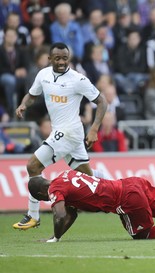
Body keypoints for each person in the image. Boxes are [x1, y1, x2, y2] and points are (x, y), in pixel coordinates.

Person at [12, 42, 108, 230]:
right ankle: (115, 189)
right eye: (58, 58)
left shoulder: (78, 79)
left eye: (65, 58)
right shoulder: (43, 75)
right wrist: (24, 104)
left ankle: (33, 216)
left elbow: (102, 101)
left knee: (33, 166)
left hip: (69, 132)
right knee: (87, 176)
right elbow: (32, 95)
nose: (62, 62)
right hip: (66, 133)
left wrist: (94, 128)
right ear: (50, 59)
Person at [27, 169, 155, 241]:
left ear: (39, 193)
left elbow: (60, 215)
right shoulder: (64, 175)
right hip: (132, 183)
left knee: (143, 234)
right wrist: (58, 236)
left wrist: (53, 239)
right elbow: (71, 215)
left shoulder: (55, 190)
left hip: (125, 199)